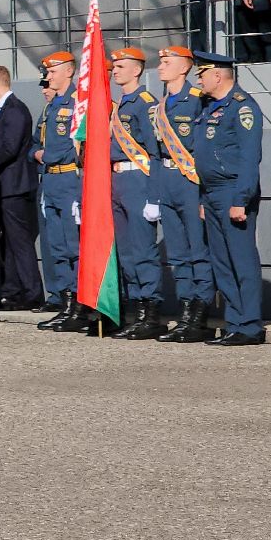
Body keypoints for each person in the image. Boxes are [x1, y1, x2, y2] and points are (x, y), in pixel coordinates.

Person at [193, 51, 266, 345]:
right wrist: (202, 196)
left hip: (232, 191)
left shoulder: (242, 107)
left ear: (218, 75)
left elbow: (249, 158)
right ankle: (234, 322)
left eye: (202, 73)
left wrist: (241, 199)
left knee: (241, 260)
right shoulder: (210, 108)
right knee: (221, 261)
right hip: (211, 193)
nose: (199, 79)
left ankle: (250, 324)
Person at [150, 47, 214, 342]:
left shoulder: (198, 101)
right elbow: (154, 151)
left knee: (197, 251)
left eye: (167, 62)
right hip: (167, 179)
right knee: (177, 252)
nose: (161, 67)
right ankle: (186, 308)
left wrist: (204, 193)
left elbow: (203, 149)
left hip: (190, 180)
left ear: (184, 68)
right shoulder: (161, 105)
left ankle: (200, 312)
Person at [107, 48, 167, 339]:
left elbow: (155, 153)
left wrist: (154, 196)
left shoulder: (146, 104)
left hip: (138, 181)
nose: (115, 70)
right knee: (127, 252)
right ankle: (136, 310)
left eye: (121, 66)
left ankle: (151, 312)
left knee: (143, 250)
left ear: (137, 70)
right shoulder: (118, 106)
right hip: (119, 181)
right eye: (114, 66)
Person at [36, 51, 87, 332]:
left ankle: (79, 306)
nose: (48, 76)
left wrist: (48, 155)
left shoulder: (78, 104)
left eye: (53, 71)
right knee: (56, 247)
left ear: (68, 71)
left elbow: (74, 146)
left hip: (69, 180)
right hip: (51, 182)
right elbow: (35, 142)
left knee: (72, 246)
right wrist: (39, 154)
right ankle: (65, 304)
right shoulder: (50, 107)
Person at [0, 65, 39, 310]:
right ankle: (12, 291)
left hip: (14, 185)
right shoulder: (2, 110)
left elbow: (8, 147)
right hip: (4, 187)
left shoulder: (14, 110)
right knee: (9, 243)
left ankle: (32, 293)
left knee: (20, 242)